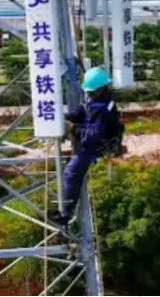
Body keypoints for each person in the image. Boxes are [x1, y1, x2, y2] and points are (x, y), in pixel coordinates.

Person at [52, 66, 124, 227]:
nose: (89, 94)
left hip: (96, 145)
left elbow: (93, 136)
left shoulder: (103, 109)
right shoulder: (97, 101)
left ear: (100, 89)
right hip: (92, 140)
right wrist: (64, 118)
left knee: (71, 172)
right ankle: (66, 204)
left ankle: (66, 212)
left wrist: (73, 129)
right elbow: (83, 111)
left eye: (91, 92)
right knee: (70, 171)